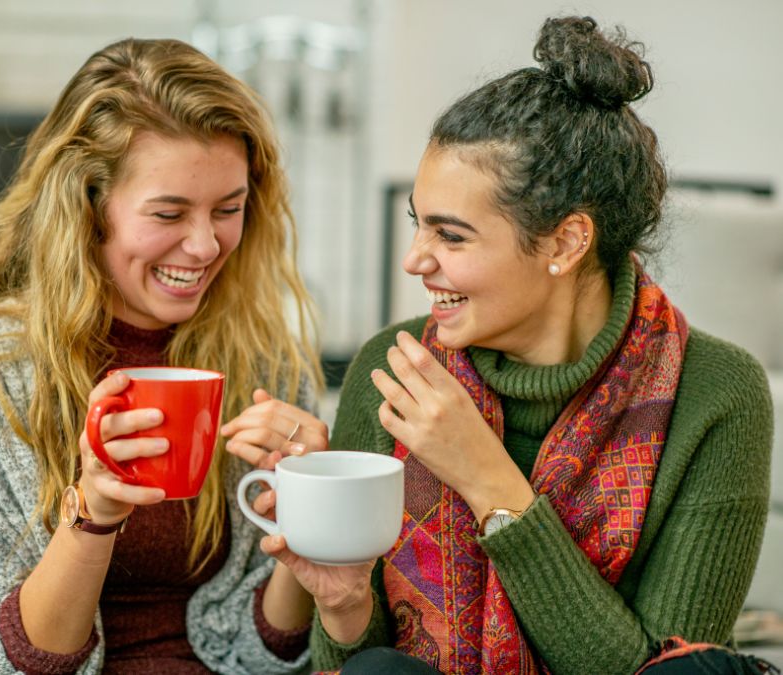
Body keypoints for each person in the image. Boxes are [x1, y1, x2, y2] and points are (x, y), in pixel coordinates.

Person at [222, 16, 775, 674]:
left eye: (450, 236)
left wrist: (489, 480)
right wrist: (341, 604)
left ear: (566, 242)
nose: (413, 260)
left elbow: (668, 670)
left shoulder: (716, 393)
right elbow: (349, 662)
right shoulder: (393, 370)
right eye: (417, 225)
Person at [0, 38, 324, 674]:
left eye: (228, 209)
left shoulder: (263, 363)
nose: (205, 245)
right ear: (87, 207)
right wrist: (93, 516)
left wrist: (310, 518)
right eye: (169, 212)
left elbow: (272, 655)